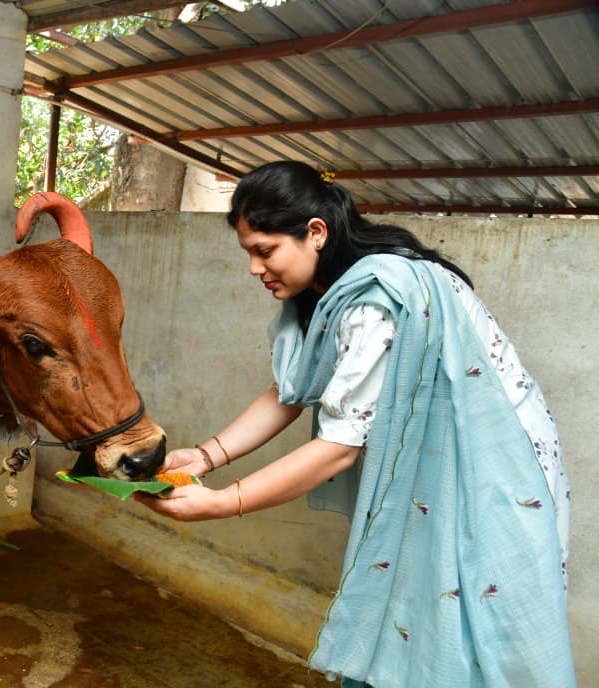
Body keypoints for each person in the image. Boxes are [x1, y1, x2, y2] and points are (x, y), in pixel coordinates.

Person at [135, 161, 574, 687]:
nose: (254, 268)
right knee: (416, 599)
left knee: (477, 614)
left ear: (316, 232)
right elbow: (291, 390)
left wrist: (222, 503)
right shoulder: (324, 296)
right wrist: (206, 456)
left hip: (493, 465)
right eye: (249, 252)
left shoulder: (377, 299)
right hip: (438, 467)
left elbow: (340, 446)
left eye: (265, 250)